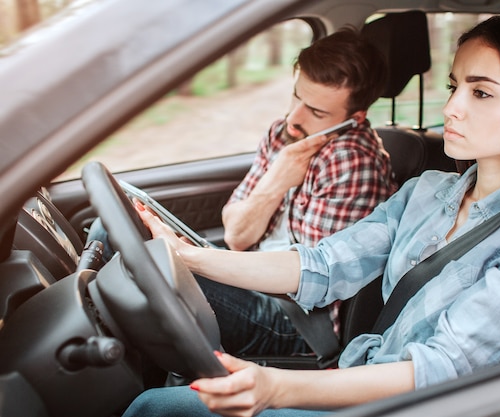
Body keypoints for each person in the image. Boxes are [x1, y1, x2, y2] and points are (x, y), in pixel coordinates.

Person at [122, 13, 500, 417]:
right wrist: (192, 258)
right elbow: (322, 263)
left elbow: (439, 372)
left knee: (153, 408)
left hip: (417, 406)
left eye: (480, 93)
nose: (451, 108)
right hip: (360, 379)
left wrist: (276, 386)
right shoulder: (429, 191)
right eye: (454, 86)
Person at [88, 27, 397, 359]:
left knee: (128, 248)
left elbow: (305, 284)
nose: (294, 117)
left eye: (317, 112)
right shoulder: (285, 133)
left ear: (355, 118)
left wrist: (202, 263)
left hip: (296, 322)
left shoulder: (352, 163)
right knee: (117, 230)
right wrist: (279, 176)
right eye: (297, 96)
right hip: (249, 274)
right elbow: (236, 234)